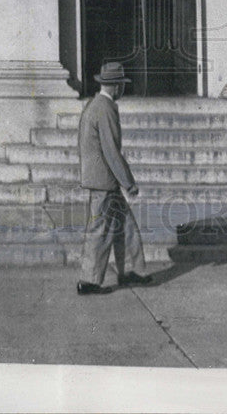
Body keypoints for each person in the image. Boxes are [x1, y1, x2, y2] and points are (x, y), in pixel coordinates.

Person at [76, 61, 153, 295]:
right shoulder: (105, 108)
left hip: (102, 179)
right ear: (116, 86)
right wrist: (128, 182)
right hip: (104, 182)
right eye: (122, 84)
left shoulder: (95, 105)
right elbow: (111, 151)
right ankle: (89, 281)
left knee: (126, 226)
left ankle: (134, 271)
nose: (123, 89)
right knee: (100, 230)